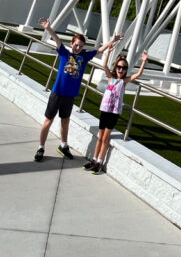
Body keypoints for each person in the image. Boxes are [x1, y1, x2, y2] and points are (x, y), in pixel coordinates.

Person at [35, 17, 121, 162]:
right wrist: (48, 28)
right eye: (76, 45)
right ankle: (41, 147)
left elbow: (100, 50)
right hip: (57, 93)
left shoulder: (84, 57)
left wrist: (113, 40)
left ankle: (63, 145)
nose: (78, 48)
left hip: (70, 96)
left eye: (80, 46)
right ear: (72, 44)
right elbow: (57, 40)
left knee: (65, 121)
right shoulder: (64, 53)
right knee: (48, 121)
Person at [85, 48, 148, 174]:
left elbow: (138, 75)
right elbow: (104, 65)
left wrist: (144, 62)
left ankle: (100, 162)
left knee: (105, 138)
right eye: (119, 67)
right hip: (105, 110)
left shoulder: (124, 82)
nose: (121, 70)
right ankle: (94, 159)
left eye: (124, 68)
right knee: (100, 137)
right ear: (116, 67)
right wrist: (108, 53)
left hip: (114, 113)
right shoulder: (110, 78)